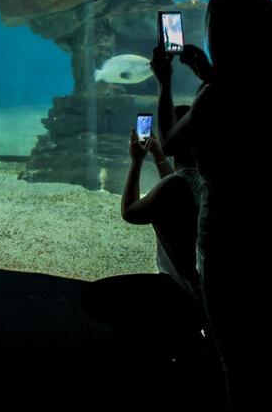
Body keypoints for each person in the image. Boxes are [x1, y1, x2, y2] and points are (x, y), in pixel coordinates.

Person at [153, 0, 272, 412]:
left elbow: (171, 142)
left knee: (235, 355)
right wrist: (210, 75)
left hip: (229, 233)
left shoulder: (220, 94)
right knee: (260, 339)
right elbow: (248, 114)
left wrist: (165, 85)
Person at [81, 127, 207, 362]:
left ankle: (154, 346)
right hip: (205, 292)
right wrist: (159, 156)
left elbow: (130, 212)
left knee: (95, 297)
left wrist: (136, 161)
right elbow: (176, 183)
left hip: (182, 292)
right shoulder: (202, 180)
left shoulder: (174, 186)